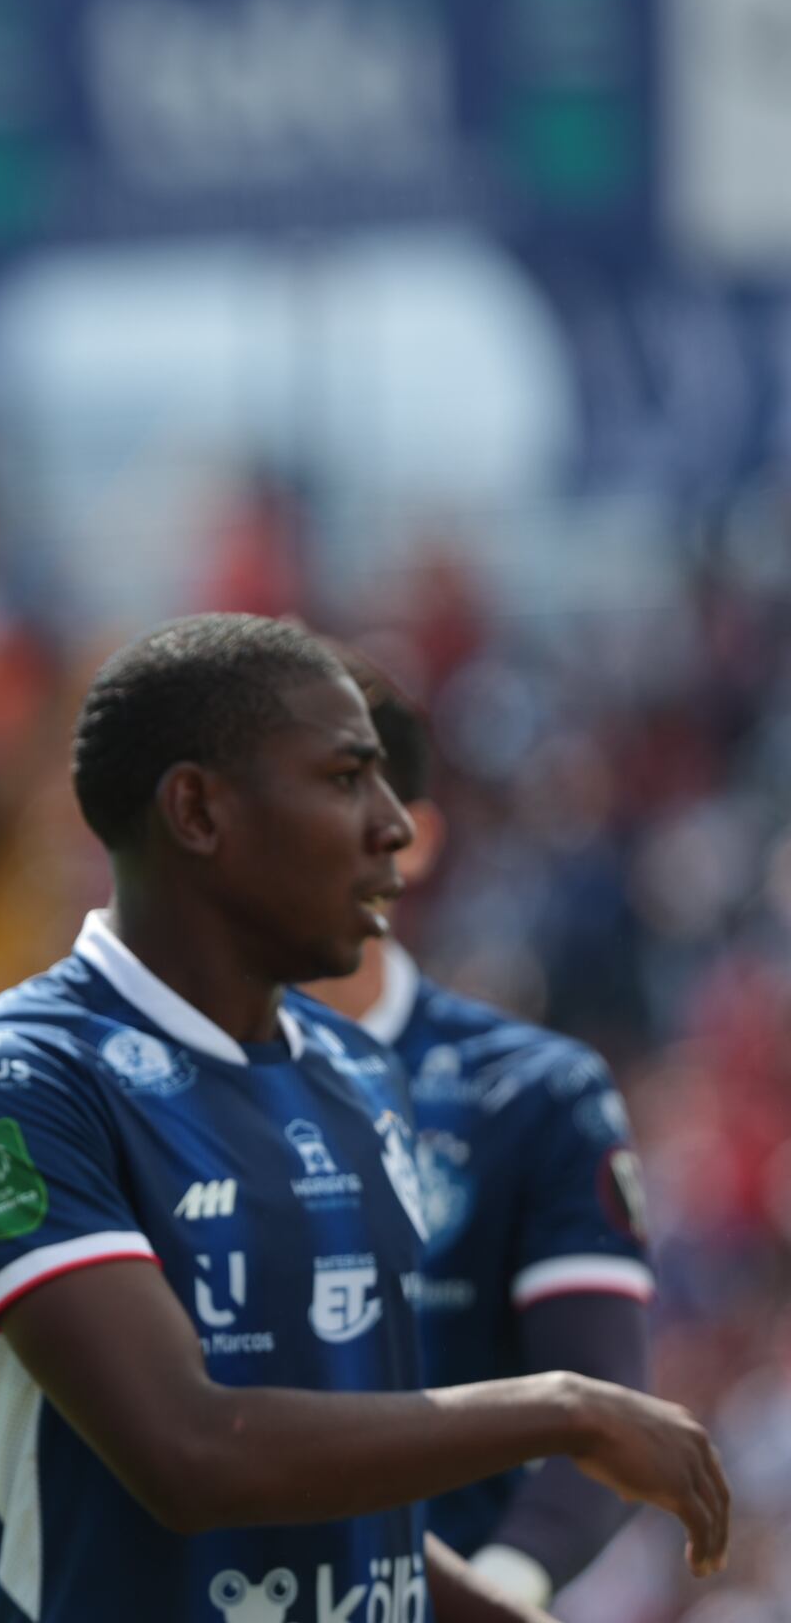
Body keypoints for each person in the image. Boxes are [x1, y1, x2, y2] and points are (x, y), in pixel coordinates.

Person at [0, 613, 726, 1623]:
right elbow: (192, 1455)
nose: (396, 825)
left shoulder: (356, 1071)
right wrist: (559, 1410)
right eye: (344, 780)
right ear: (197, 811)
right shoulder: (16, 1088)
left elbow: (333, 1503)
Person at [301, 668, 656, 1610]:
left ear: (410, 840)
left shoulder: (534, 1093)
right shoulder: (128, 1088)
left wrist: (492, 1593)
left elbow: (605, 1400)